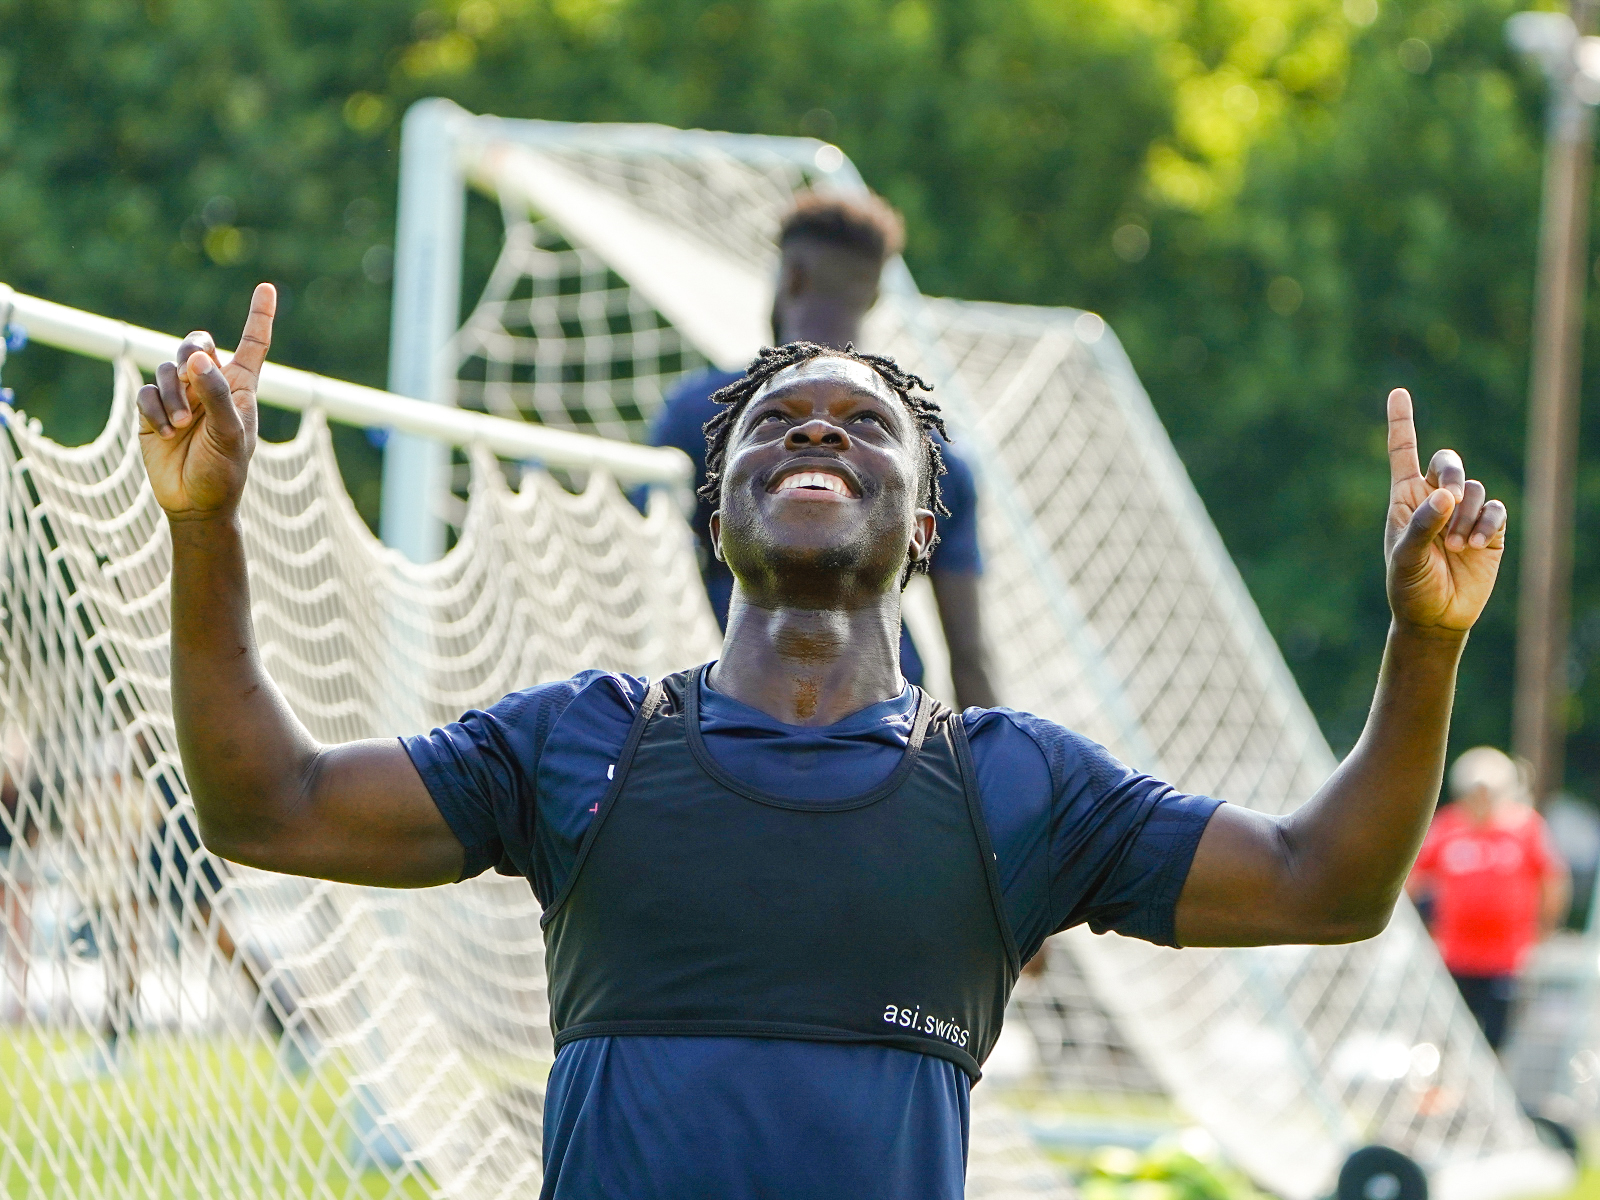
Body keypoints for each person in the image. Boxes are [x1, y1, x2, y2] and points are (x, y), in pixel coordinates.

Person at [137, 284, 1508, 1200]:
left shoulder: (1011, 784)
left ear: (923, 528)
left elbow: (1325, 885)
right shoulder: (586, 741)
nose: (817, 435)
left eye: (865, 427)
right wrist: (204, 528)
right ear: (715, 513)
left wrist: (1426, 641)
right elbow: (272, 807)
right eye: (777, 425)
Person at [650, 190, 998, 708]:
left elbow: (646, 577)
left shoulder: (704, 415)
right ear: (874, 296)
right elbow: (968, 657)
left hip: (730, 717)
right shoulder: (933, 454)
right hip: (887, 724)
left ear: (790, 277)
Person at [1407, 746, 1570, 1050]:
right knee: (1451, 1039)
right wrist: (1422, 927)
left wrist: (1545, 930)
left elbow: (1553, 881)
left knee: (1496, 1041)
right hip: (1454, 955)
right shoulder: (1447, 826)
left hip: (1506, 959)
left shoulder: (1525, 827)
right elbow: (1413, 881)